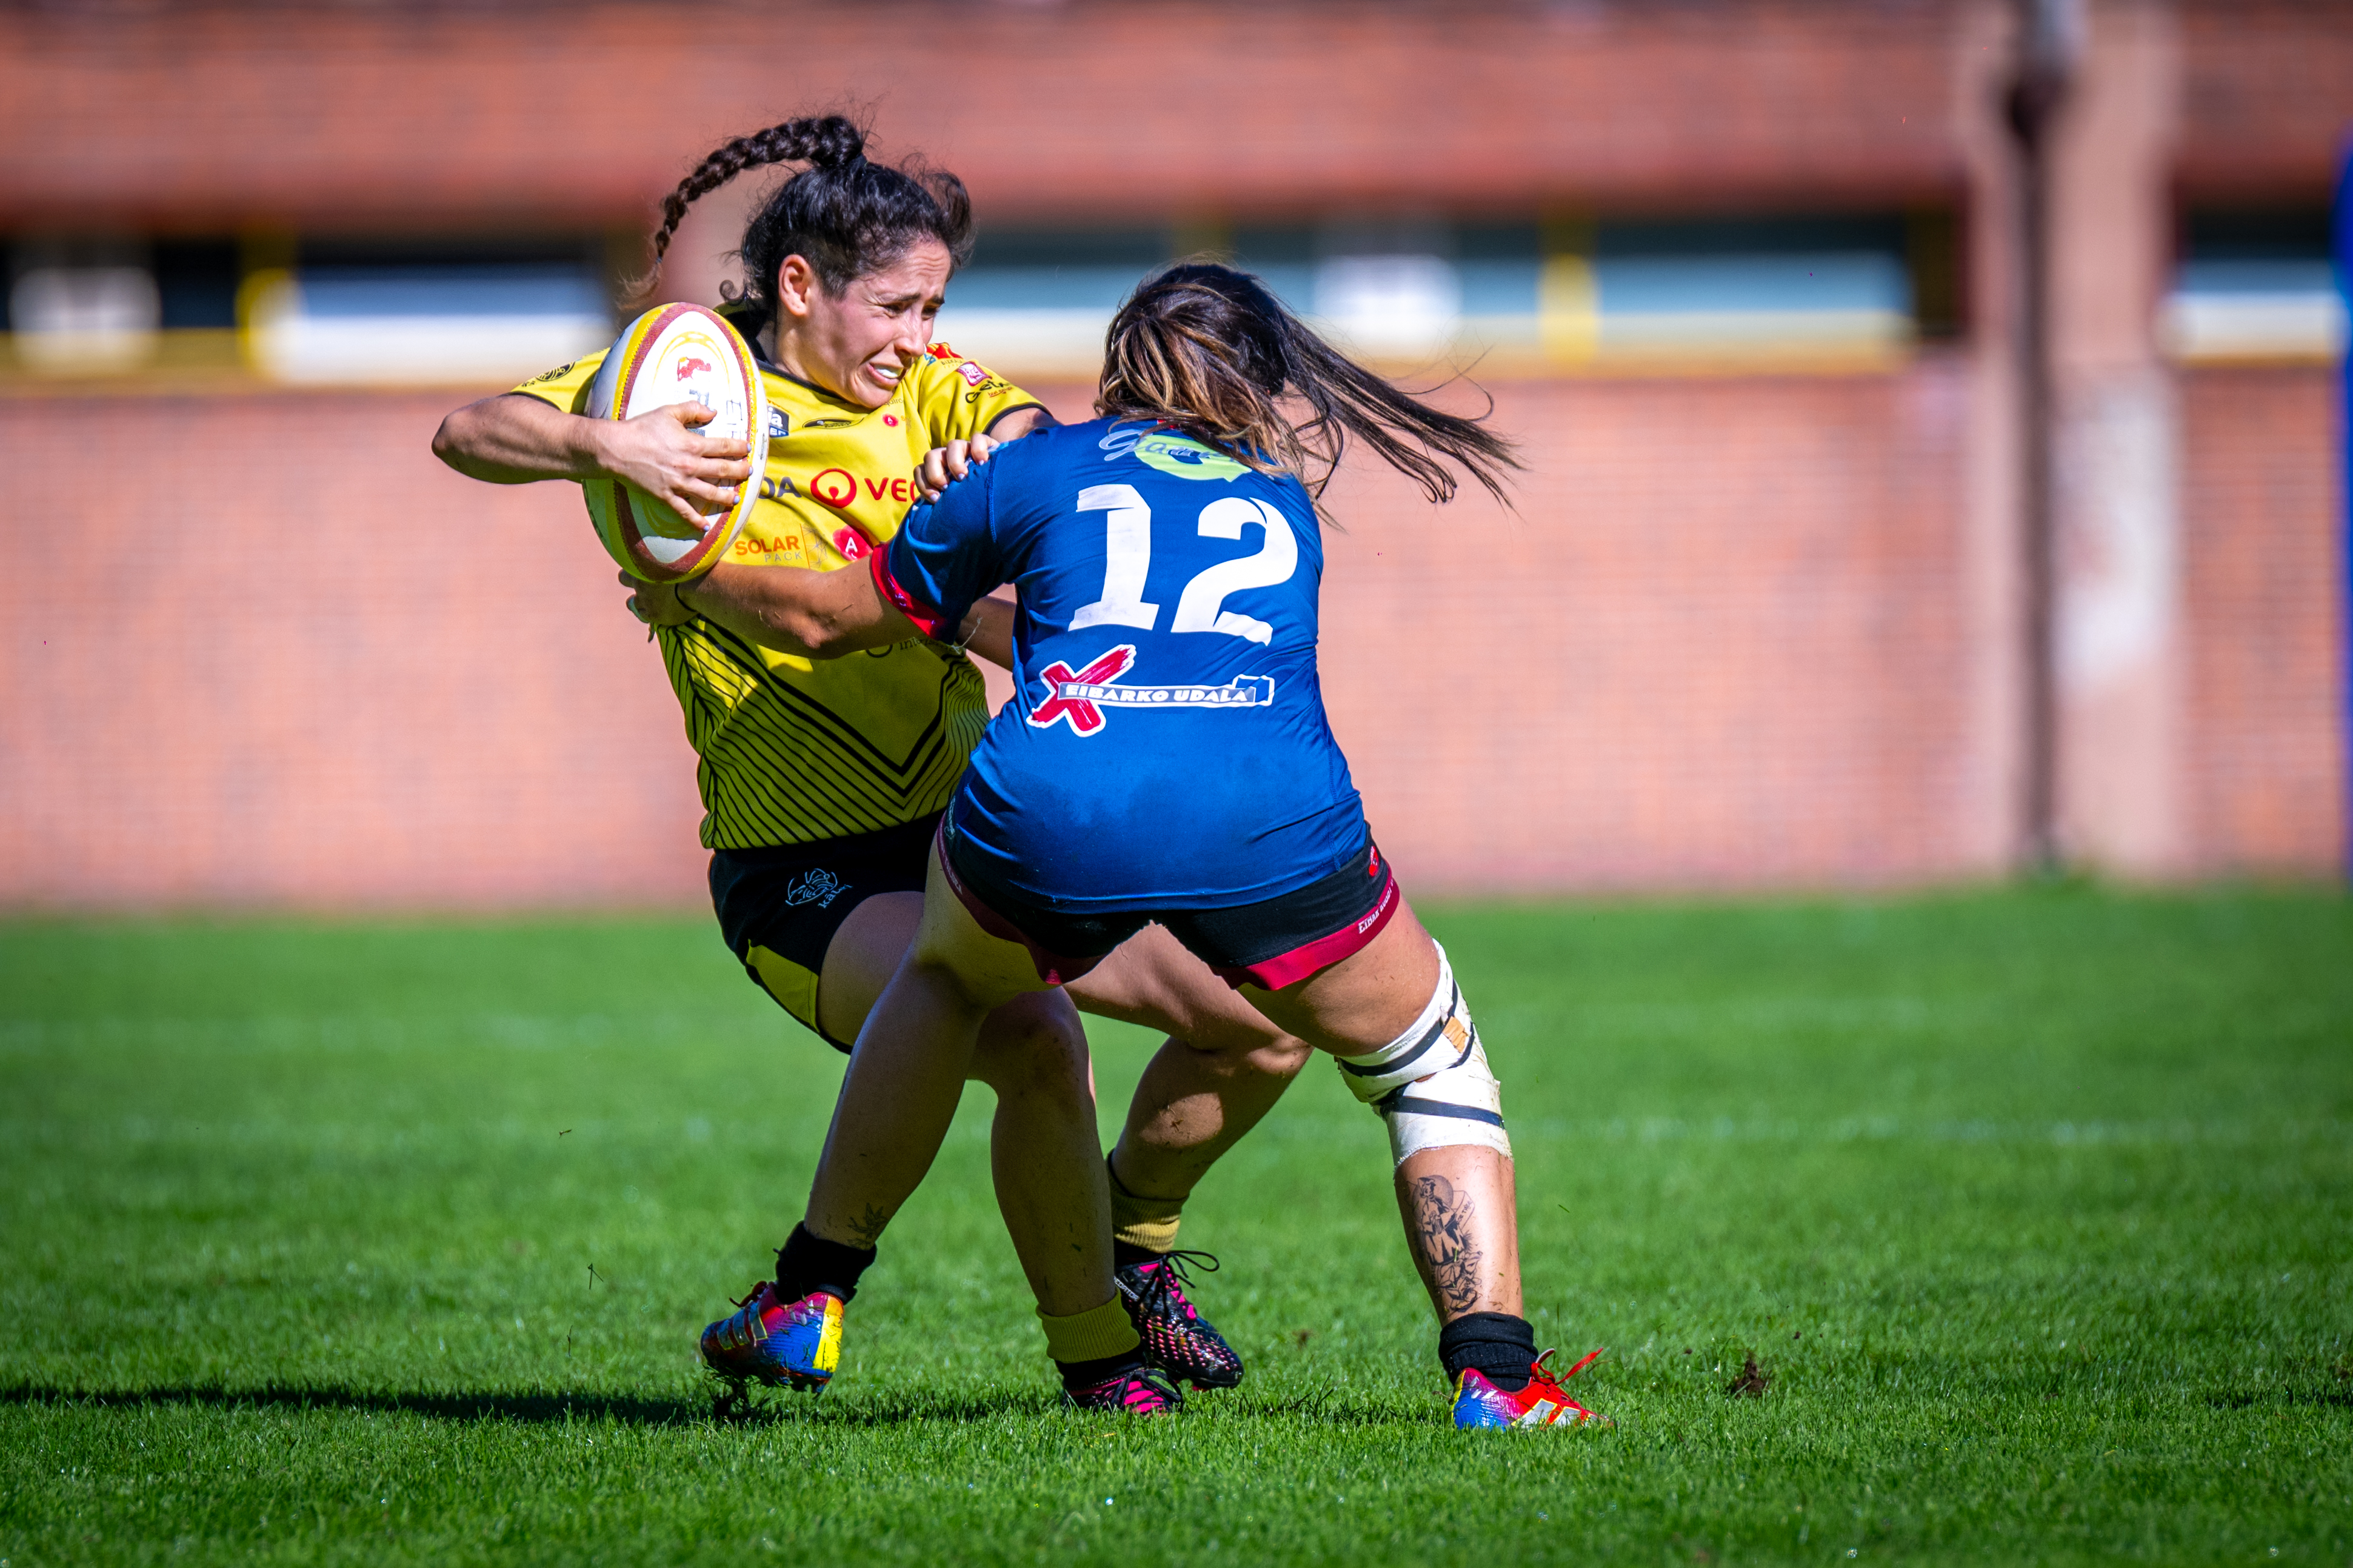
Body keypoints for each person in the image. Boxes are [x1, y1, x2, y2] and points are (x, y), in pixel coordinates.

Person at [432, 117, 1313, 1411]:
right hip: (804, 865)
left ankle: (1130, 1253)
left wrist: (993, 467)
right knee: (1029, 1030)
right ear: (803, 287)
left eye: (935, 305)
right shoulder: (686, 389)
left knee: (1260, 1025)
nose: (917, 333)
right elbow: (468, 428)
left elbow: (1026, 433)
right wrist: (604, 446)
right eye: (897, 304)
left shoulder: (930, 388)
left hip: (975, 828)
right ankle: (1082, 1363)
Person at [723, 262, 1610, 1429]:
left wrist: (692, 570)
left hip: (1047, 811)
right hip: (1266, 816)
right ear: (1257, 385)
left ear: (1113, 367)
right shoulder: (1279, 503)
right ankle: (1497, 1376)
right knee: (1429, 1065)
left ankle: (813, 1292)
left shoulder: (1028, 469)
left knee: (948, 981)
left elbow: (829, 616)